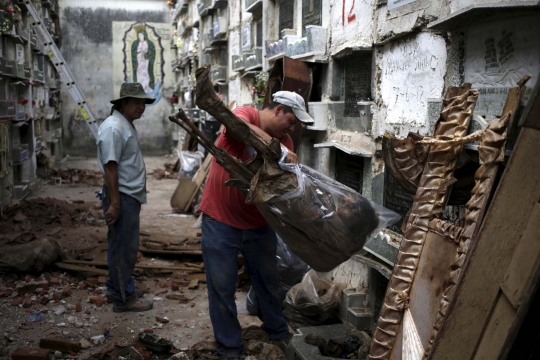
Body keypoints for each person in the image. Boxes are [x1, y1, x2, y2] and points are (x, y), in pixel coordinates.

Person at [198, 91, 315, 359]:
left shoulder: (284, 141)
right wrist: (279, 149)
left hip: (258, 224)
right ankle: (230, 348)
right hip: (220, 219)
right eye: (292, 120)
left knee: (268, 282)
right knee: (222, 286)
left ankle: (277, 331)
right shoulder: (247, 113)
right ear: (278, 110)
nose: (293, 128)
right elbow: (236, 126)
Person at [96, 82, 155, 312]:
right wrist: (116, 203)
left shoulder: (124, 124)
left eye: (144, 103)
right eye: (137, 102)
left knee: (122, 246)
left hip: (129, 195)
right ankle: (124, 299)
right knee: (124, 249)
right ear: (124, 103)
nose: (142, 107)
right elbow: (111, 168)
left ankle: (118, 287)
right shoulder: (114, 127)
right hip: (122, 196)